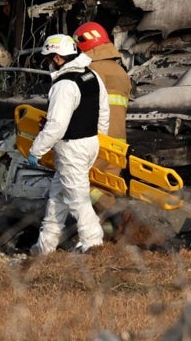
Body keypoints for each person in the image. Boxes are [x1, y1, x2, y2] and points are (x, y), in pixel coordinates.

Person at [27, 33, 109, 255]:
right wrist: (98, 138)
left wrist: (37, 150)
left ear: (58, 58)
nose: (48, 63)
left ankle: (93, 244)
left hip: (71, 147)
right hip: (89, 143)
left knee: (77, 199)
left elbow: (56, 125)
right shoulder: (91, 76)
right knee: (58, 197)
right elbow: (103, 112)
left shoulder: (64, 85)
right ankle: (44, 248)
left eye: (49, 58)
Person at [73, 21, 131, 217]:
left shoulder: (91, 71)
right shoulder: (121, 72)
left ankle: (114, 214)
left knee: (80, 182)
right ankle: (107, 235)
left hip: (95, 138)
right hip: (117, 142)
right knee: (106, 185)